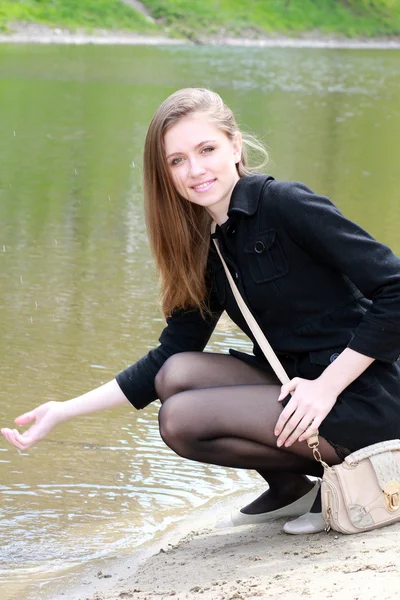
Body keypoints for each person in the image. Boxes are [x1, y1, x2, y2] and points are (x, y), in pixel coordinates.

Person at [3, 88, 400, 535]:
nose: (195, 170)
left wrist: (327, 387)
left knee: (182, 417)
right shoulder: (206, 244)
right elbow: (168, 355)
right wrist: (64, 410)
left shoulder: (287, 205)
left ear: (235, 146)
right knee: (176, 373)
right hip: (299, 390)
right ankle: (293, 490)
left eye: (206, 149)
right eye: (177, 161)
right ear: (165, 173)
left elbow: (395, 289)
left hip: (363, 393)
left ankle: (339, 483)